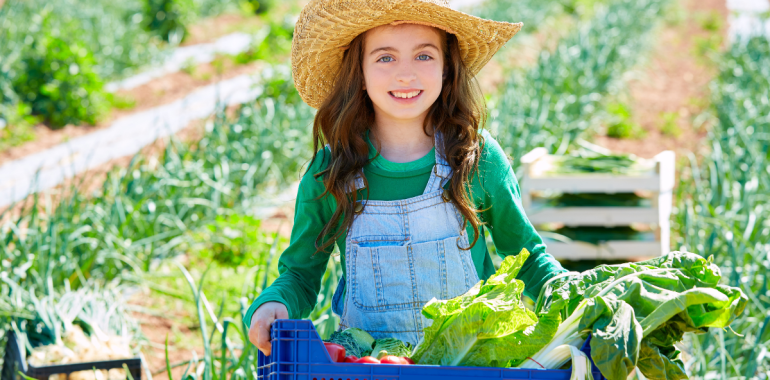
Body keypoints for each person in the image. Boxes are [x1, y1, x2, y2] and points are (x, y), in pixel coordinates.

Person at [245, 0, 567, 355]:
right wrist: (273, 304)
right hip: (372, 368)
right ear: (359, 74)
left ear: (447, 68)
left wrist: (570, 296)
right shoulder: (331, 173)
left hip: (470, 365)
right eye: (385, 57)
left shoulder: (474, 157)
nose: (405, 74)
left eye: (424, 56)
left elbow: (527, 256)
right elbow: (301, 275)